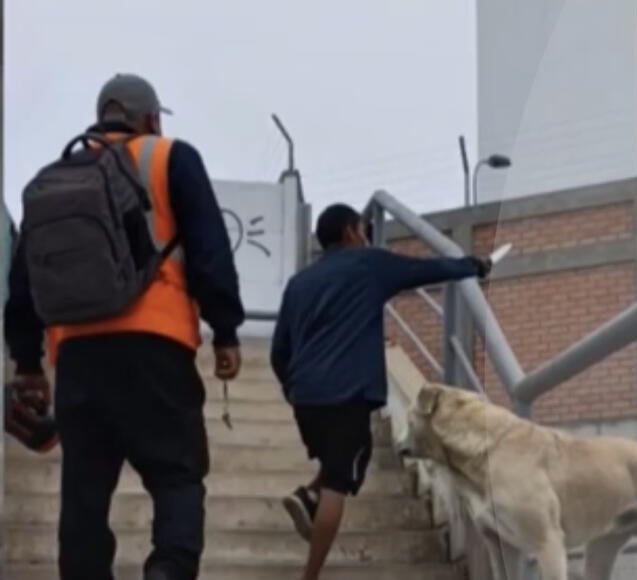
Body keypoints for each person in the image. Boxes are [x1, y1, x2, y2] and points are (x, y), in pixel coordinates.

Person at [4, 73, 245, 580]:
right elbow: (209, 248)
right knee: (177, 479)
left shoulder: (55, 176)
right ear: (150, 119)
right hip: (155, 349)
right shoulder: (169, 157)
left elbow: (23, 277)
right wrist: (224, 330)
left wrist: (28, 362)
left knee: (84, 502)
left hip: (77, 358)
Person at [270, 203, 491, 580]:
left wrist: (292, 388)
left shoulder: (299, 283)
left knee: (353, 455)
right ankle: (310, 574)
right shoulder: (368, 265)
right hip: (347, 394)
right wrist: (473, 266)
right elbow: (424, 270)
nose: (368, 237)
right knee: (339, 483)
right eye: (364, 230)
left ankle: (308, 495)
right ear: (351, 233)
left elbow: (279, 352)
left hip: (306, 398)